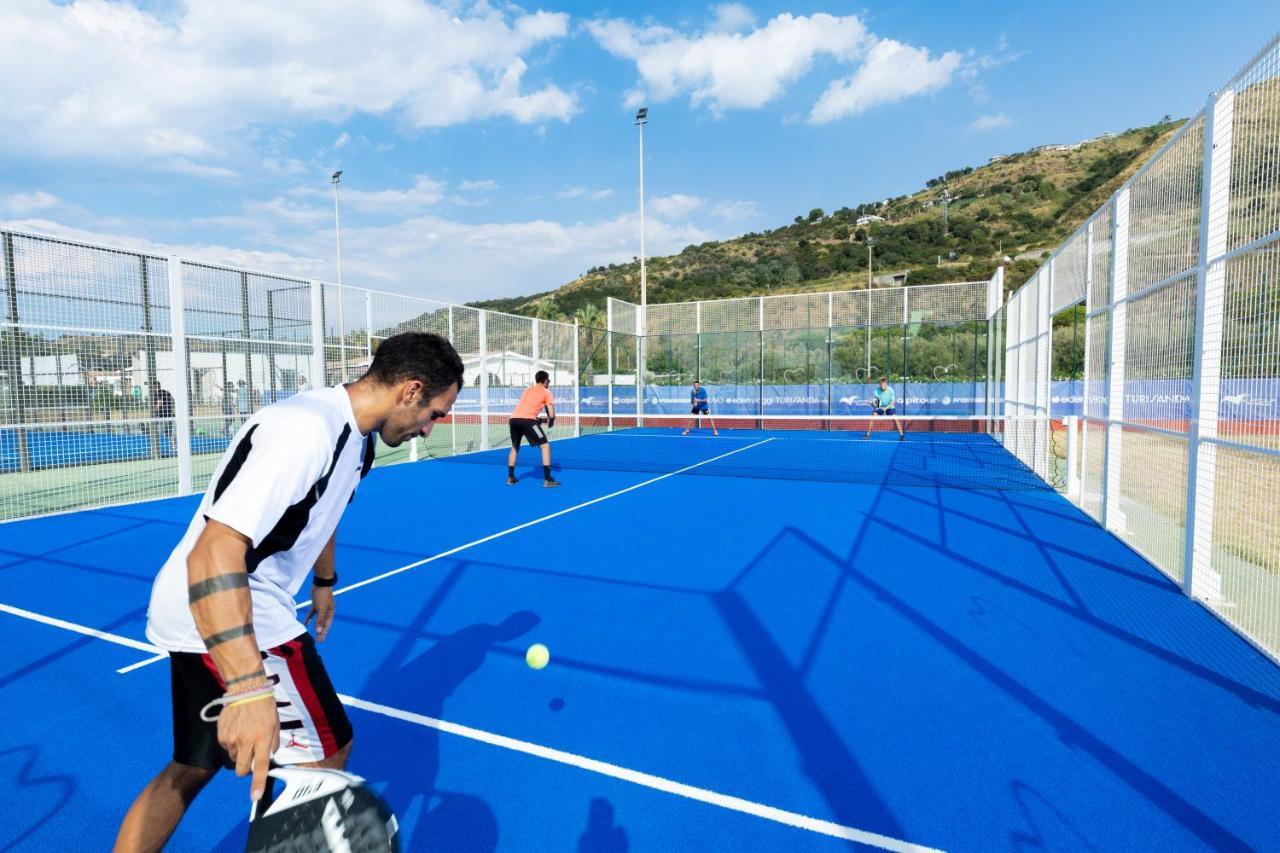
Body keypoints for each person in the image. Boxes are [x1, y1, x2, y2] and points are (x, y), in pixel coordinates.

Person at [114, 333, 464, 852]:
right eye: (434, 412)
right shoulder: (306, 431)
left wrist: (324, 581)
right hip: (233, 606)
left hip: (208, 608)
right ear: (411, 390)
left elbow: (324, 513)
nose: (429, 429)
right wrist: (249, 689)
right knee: (327, 756)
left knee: (193, 765)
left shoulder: (355, 437)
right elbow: (214, 552)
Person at [506, 370, 560, 488]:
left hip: (514, 420)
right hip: (528, 421)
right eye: (548, 380)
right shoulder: (547, 392)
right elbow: (551, 415)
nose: (549, 382)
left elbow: (526, 411)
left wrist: (541, 421)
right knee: (545, 445)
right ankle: (547, 479)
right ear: (545, 380)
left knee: (515, 446)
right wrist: (551, 421)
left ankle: (510, 478)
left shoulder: (527, 390)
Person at [866, 376, 905, 440]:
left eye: (884, 384)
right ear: (880, 384)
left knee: (896, 419)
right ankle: (868, 435)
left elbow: (893, 402)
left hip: (890, 406)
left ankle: (901, 435)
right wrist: (872, 403)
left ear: (886, 383)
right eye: (881, 384)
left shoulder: (891, 390)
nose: (882, 386)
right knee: (872, 417)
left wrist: (886, 408)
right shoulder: (876, 391)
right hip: (881, 406)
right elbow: (877, 401)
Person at [149, 380, 176, 454]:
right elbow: (173, 402)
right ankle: (174, 446)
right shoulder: (166, 392)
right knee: (168, 432)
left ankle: (155, 449)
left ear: (154, 387)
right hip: (170, 415)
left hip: (163, 416)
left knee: (156, 432)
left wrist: (153, 410)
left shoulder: (158, 393)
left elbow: (159, 403)